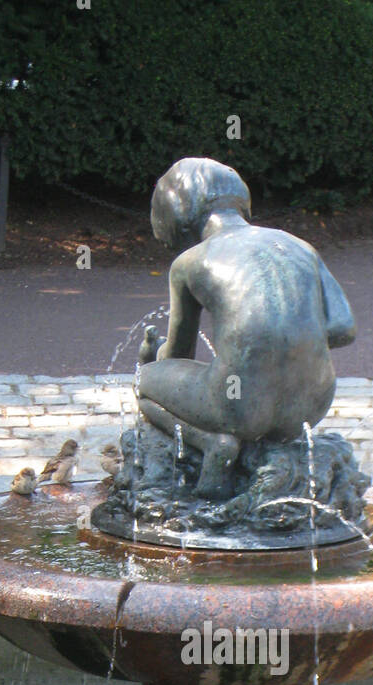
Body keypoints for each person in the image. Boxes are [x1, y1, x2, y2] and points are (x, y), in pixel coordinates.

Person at [136, 157, 356, 499]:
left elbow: (179, 354)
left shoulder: (190, 262)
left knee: (145, 382)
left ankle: (212, 444)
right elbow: (343, 328)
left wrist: (151, 359)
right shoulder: (299, 246)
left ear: (176, 211)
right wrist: (292, 336)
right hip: (310, 406)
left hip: (238, 407)